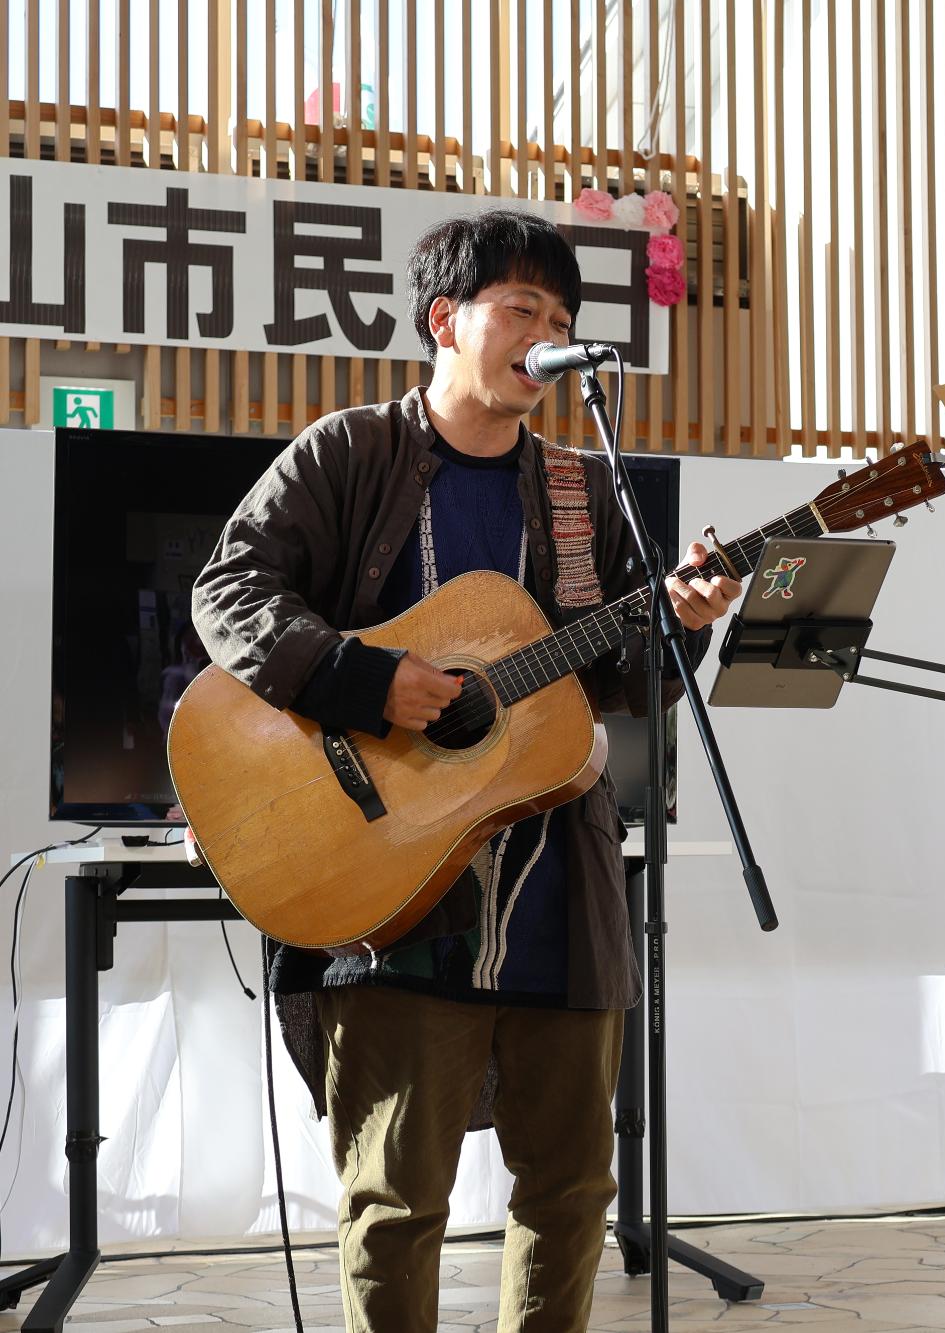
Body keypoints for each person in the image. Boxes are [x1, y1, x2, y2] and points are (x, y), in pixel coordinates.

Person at [192, 208, 742, 1333]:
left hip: (559, 892)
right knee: (396, 1200)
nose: (547, 333)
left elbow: (617, 688)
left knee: (574, 1190)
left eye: (562, 316)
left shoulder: (585, 488)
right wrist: (363, 680)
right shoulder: (352, 452)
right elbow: (229, 592)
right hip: (395, 889)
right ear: (447, 320)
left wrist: (681, 624)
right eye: (522, 309)